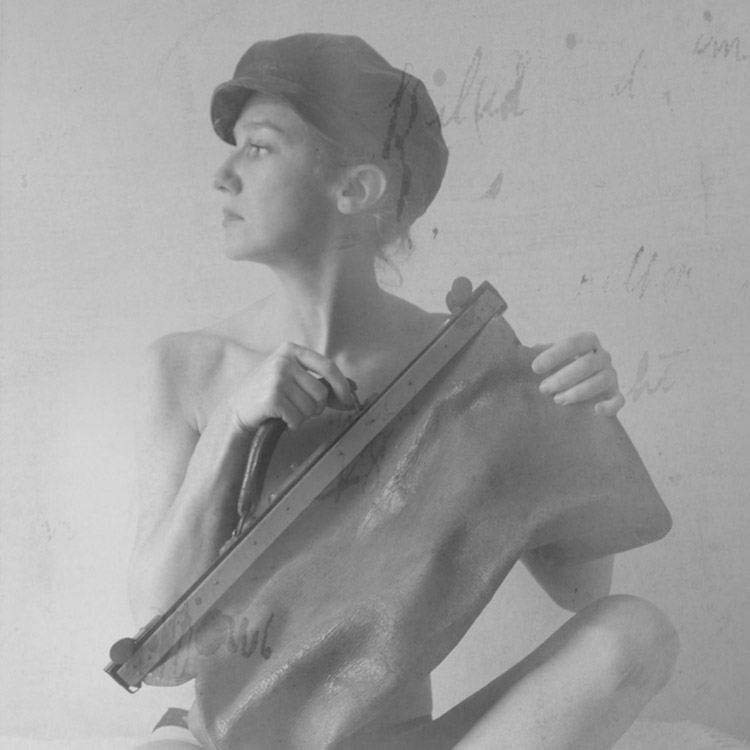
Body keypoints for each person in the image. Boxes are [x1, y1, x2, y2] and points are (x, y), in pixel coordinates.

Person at [129, 33, 677, 750]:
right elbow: (152, 638)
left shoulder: (464, 367)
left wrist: (574, 427)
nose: (222, 176)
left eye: (258, 147)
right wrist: (232, 427)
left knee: (635, 632)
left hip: (395, 742)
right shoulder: (186, 367)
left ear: (355, 189)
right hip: (216, 739)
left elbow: (580, 594)